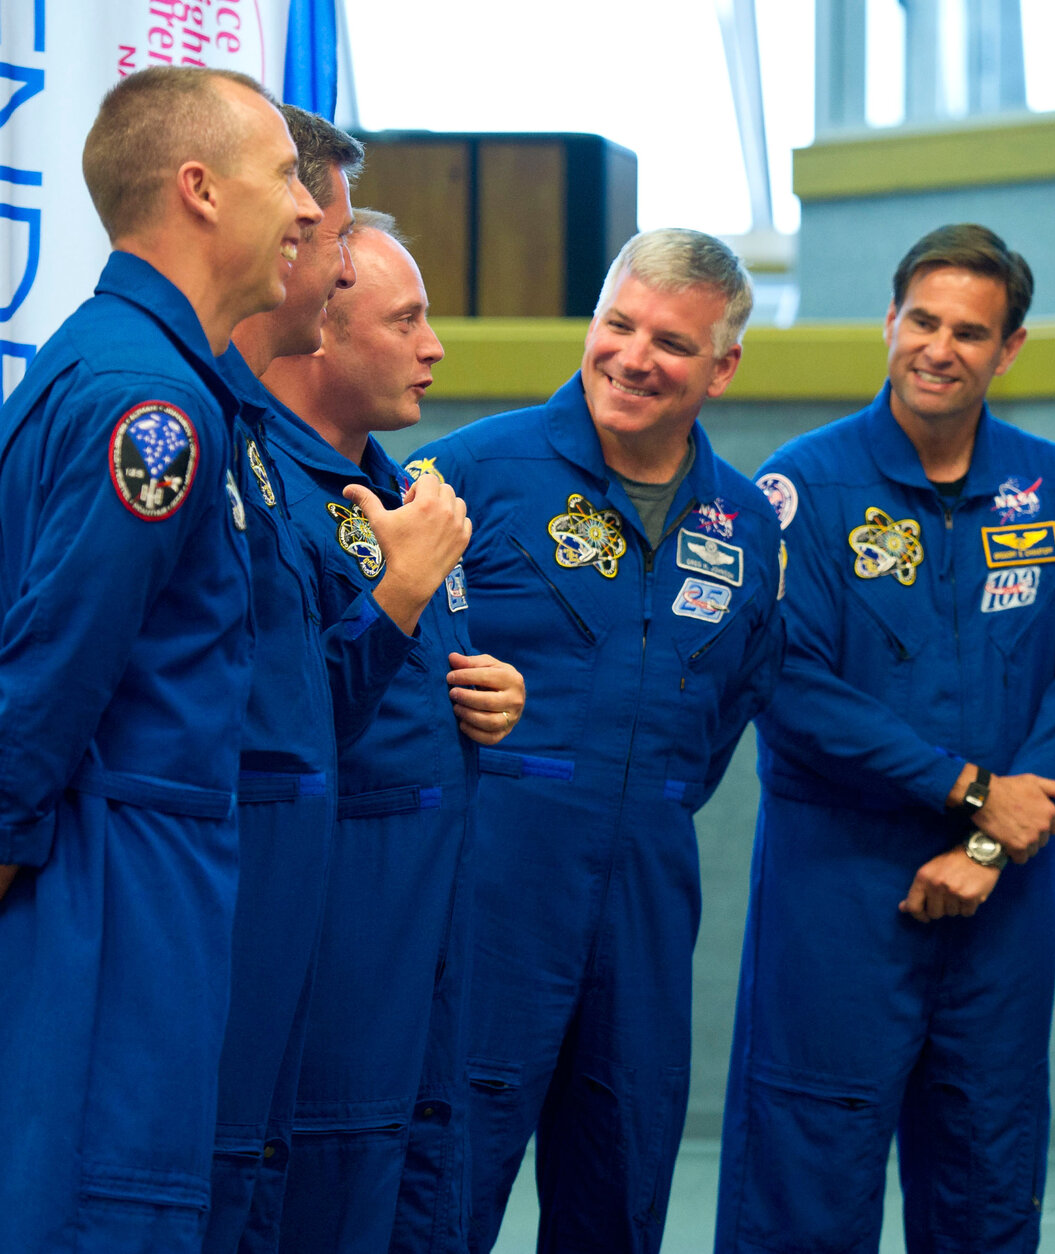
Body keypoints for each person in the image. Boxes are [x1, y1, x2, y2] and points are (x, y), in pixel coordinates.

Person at [715, 223, 1055, 1254]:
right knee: (807, 1167)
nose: (939, 348)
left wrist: (995, 838)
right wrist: (968, 790)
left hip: (1001, 893)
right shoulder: (804, 488)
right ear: (889, 324)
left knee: (988, 1167)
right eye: (922, 320)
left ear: (1009, 351)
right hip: (839, 888)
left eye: (970, 330)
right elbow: (791, 681)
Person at [409, 228, 786, 1253]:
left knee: (619, 1188)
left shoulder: (746, 526)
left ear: (724, 365)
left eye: (670, 340)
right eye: (617, 324)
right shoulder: (469, 475)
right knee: (443, 1179)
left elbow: (721, 721)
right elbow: (369, 669)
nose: (632, 355)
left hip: (646, 900)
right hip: (482, 890)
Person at [0, 67, 319, 1252]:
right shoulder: (155, 409)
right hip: (108, 875)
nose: (305, 207)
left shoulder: (130, 367)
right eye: (286, 174)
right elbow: (49, 675)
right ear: (198, 189)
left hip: (131, 857)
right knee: (105, 1208)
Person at [261, 211, 524, 1254]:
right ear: (321, 329)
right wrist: (399, 594)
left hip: (429, 931)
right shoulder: (270, 491)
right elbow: (284, 725)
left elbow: (406, 686)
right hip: (331, 944)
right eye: (407, 319)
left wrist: (489, 696)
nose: (435, 346)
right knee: (326, 1201)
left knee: (420, 1194)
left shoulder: (413, 494)